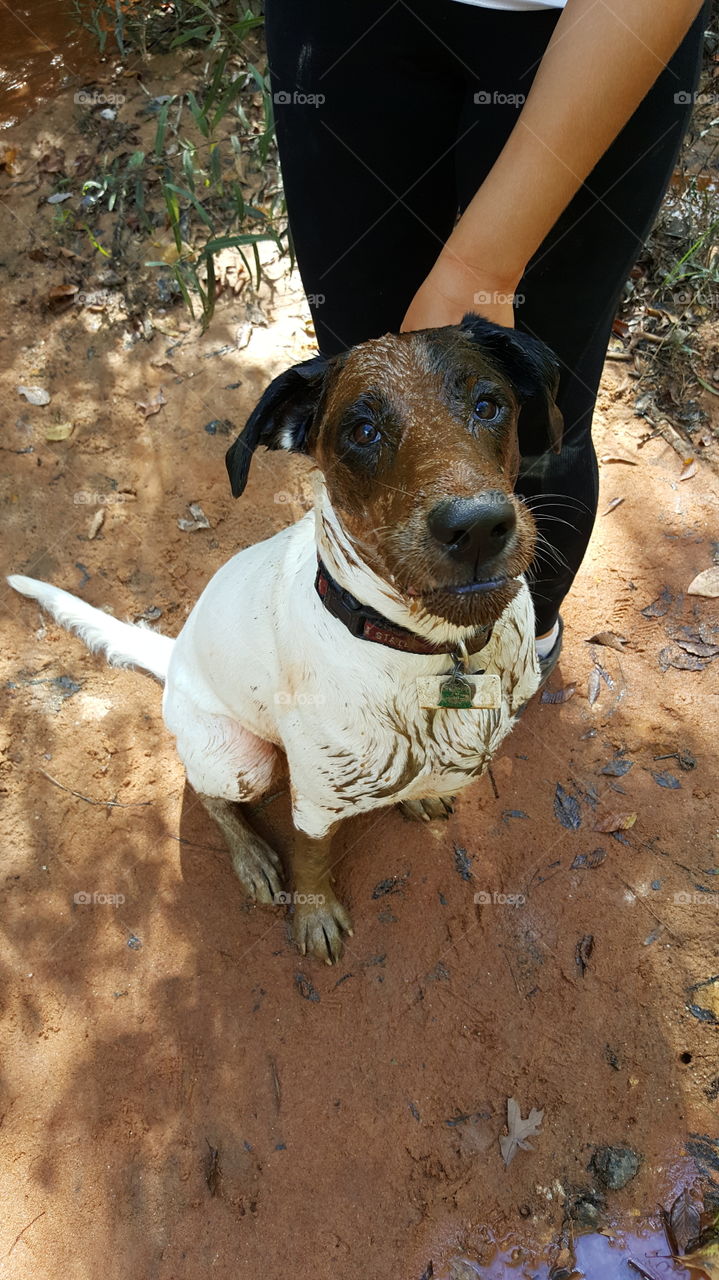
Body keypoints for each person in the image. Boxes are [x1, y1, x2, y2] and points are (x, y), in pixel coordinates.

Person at [264, 0, 709, 678]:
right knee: (369, 416)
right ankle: (387, 652)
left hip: (596, 27)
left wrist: (481, 267)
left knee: (540, 430)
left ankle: (513, 653)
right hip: (341, 25)